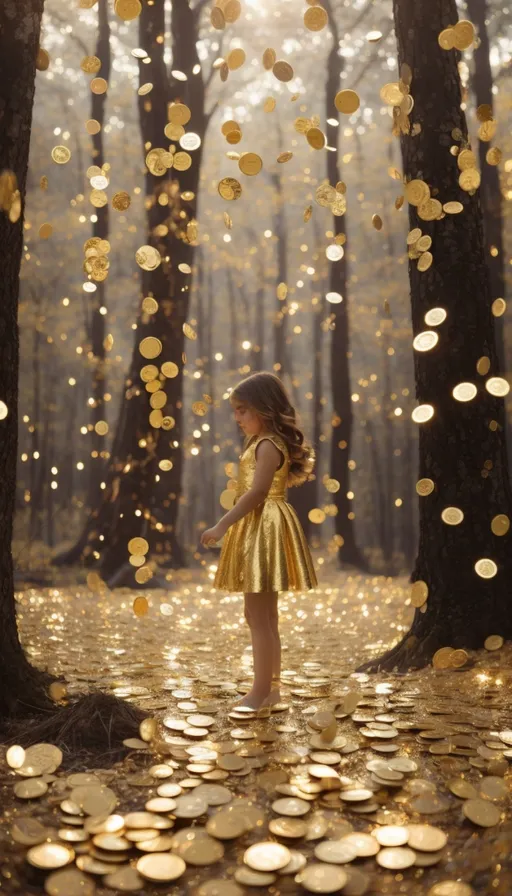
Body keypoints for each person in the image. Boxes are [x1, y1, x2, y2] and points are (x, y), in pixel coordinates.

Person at [200, 371, 318, 710]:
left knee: (258, 615)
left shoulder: (267, 445)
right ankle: (271, 689)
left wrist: (221, 526)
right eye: (236, 411)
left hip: (264, 526)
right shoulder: (262, 443)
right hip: (263, 523)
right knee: (264, 617)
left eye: (243, 410)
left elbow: (257, 492)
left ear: (264, 410)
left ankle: (260, 691)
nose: (237, 418)